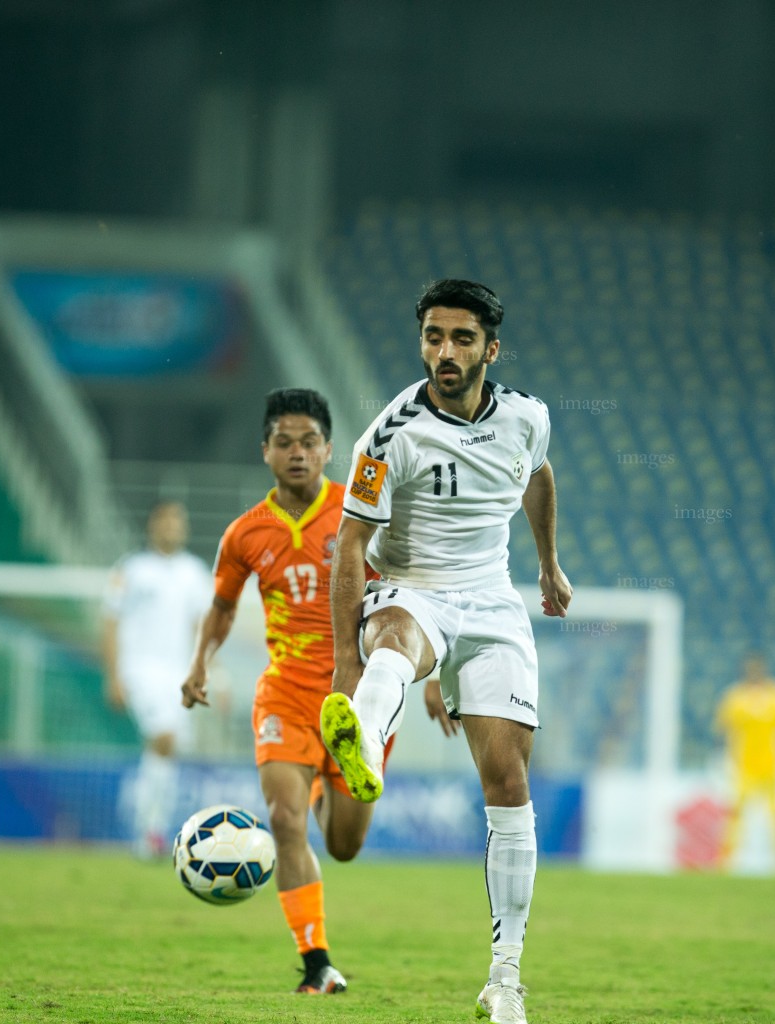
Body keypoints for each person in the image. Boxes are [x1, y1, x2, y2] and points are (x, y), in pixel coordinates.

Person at [319, 279, 571, 1024]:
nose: (445, 352)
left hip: (492, 600)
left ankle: (505, 978)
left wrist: (548, 563)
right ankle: (361, 730)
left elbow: (539, 476)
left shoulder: (528, 418)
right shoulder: (388, 434)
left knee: (507, 778)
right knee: (396, 638)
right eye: (433, 336)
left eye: (462, 339)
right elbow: (350, 545)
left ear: (491, 348)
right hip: (412, 586)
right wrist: (344, 661)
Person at [180, 388, 458, 995]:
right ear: (266, 452)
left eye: (309, 442)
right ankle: (316, 964)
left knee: (346, 845)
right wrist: (201, 662)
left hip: (360, 698)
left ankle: (325, 784)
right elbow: (223, 607)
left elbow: (420, 601)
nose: (298, 453)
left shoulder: (361, 518)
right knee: (283, 820)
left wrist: (437, 673)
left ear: (329, 449)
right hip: (285, 694)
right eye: (285, 442)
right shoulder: (245, 533)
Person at [101, 501, 212, 859]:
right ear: (152, 525)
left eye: (178, 522)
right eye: (165, 520)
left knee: (167, 748)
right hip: (140, 670)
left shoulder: (195, 573)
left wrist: (211, 672)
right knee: (163, 737)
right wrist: (113, 675)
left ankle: (151, 829)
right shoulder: (131, 569)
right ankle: (150, 832)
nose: (171, 527)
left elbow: (202, 628)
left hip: (178, 674)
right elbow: (110, 622)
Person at [713, 653, 775, 873]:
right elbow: (724, 731)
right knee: (734, 816)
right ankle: (725, 864)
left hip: (774, 766)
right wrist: (722, 759)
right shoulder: (734, 697)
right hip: (743, 767)